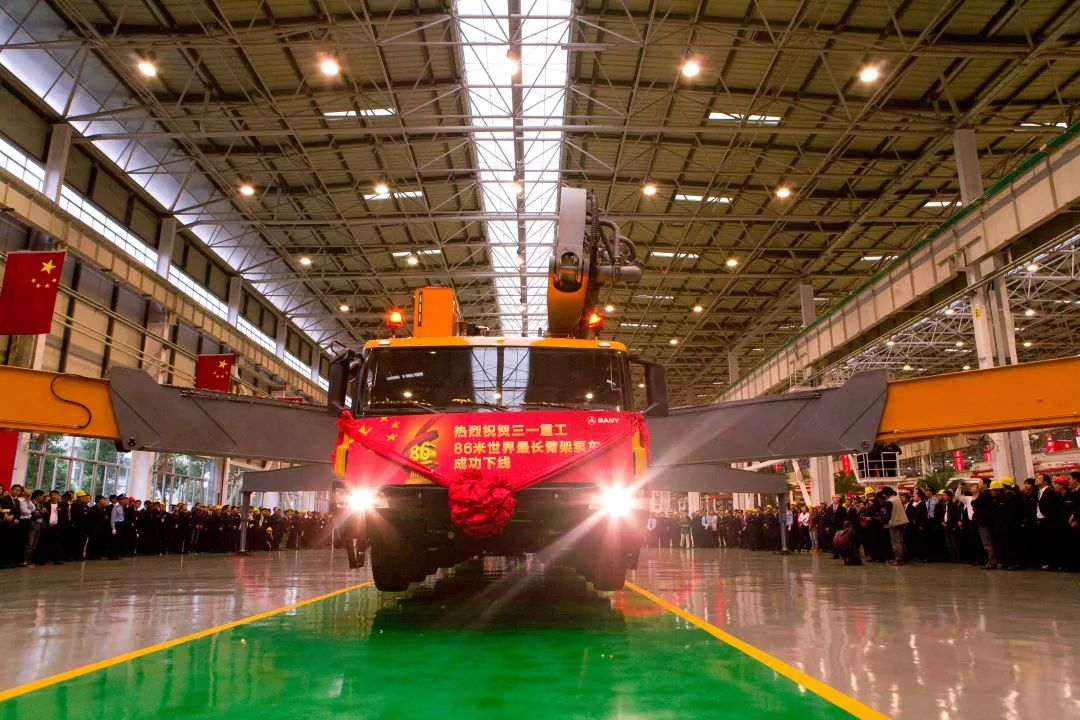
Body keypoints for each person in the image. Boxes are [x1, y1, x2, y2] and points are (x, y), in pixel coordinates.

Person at [1035, 474, 1066, 571]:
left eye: (1039, 478)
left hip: (1049, 521)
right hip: (1041, 521)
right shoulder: (1039, 492)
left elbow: (1053, 508)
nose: (1037, 479)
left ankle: (1055, 563)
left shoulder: (1050, 492)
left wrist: (1049, 519)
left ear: (1045, 481)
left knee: (1052, 543)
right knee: (1044, 543)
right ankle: (1048, 562)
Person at [972, 481, 1000, 569]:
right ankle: (991, 560)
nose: (978, 484)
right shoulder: (984, 494)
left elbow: (974, 503)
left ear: (985, 485)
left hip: (984, 522)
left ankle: (992, 561)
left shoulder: (985, 494)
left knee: (987, 542)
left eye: (980, 482)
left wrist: (975, 502)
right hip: (983, 522)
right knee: (987, 542)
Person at [883, 487, 908, 566]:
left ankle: (899, 560)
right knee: (901, 541)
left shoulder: (889, 501)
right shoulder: (897, 499)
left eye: (884, 493)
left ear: (886, 493)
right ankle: (904, 558)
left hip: (895, 523)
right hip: (903, 522)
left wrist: (883, 521)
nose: (883, 495)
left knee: (895, 542)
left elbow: (888, 515)